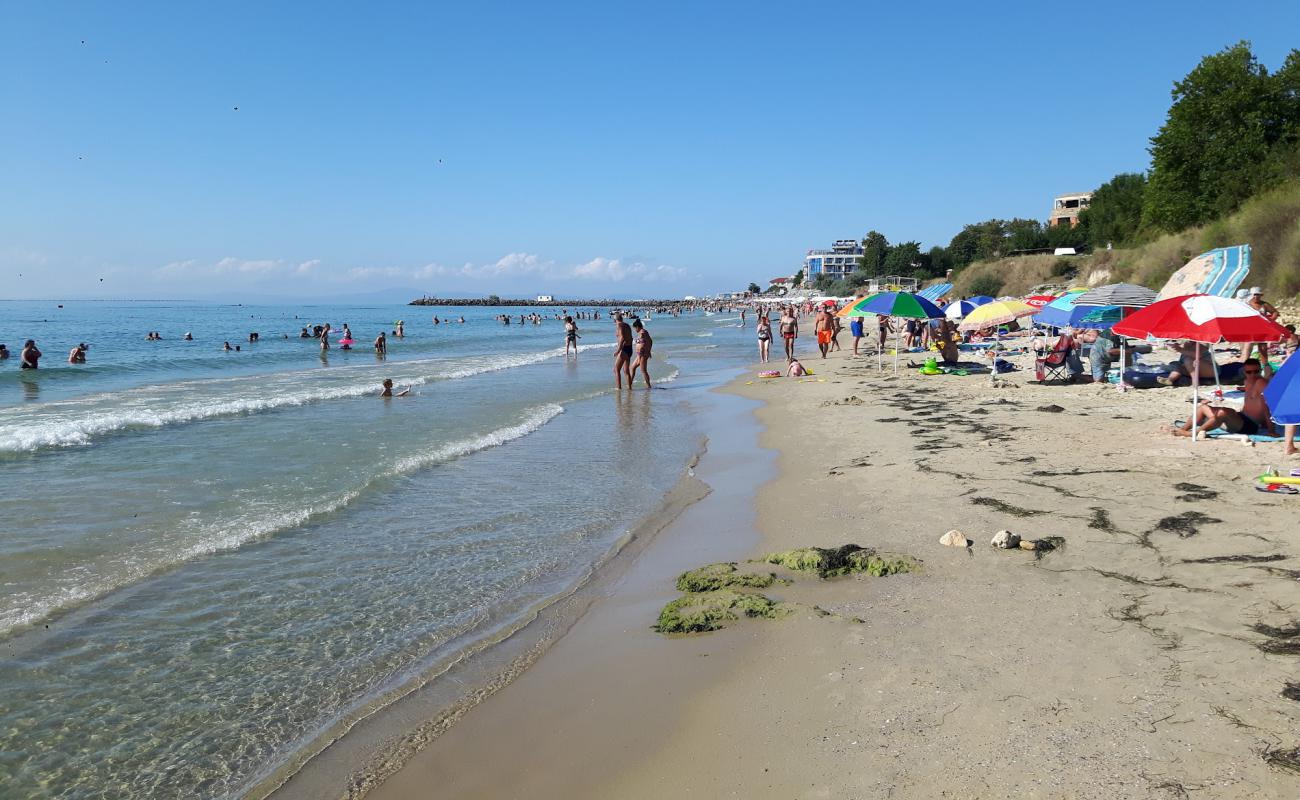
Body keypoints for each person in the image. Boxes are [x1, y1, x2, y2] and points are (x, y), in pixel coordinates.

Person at [1170, 358, 1274, 438]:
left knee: (1223, 412)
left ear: (1260, 370)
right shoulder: (1247, 382)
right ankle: (1183, 429)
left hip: (1251, 425)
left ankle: (1194, 433)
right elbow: (1250, 402)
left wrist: (1271, 430)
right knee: (1203, 407)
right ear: (1244, 372)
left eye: (1256, 371)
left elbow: (1267, 408)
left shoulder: (1262, 383)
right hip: (1242, 417)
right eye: (1249, 372)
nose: (1253, 375)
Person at [630, 318, 653, 388]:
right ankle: (630, 383)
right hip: (641, 354)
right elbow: (650, 341)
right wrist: (649, 350)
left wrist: (645, 352)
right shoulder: (644, 332)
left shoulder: (642, 333)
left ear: (637, 327)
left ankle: (649, 386)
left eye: (635, 328)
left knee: (643, 370)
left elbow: (642, 345)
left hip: (642, 354)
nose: (635, 330)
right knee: (632, 367)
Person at [613, 312, 634, 389]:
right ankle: (630, 388)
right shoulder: (627, 325)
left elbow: (622, 337)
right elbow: (631, 338)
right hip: (629, 349)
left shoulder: (619, 325)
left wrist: (618, 350)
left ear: (615, 320)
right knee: (626, 371)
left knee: (616, 369)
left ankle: (618, 388)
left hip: (624, 349)